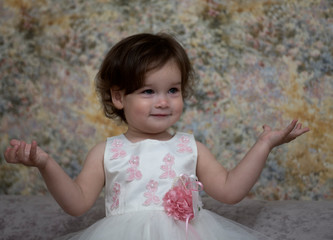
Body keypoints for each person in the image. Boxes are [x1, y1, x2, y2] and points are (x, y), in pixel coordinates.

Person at [4, 33, 309, 240]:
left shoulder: (190, 147)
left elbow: (230, 191)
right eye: (148, 91)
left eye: (173, 90)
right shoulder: (107, 151)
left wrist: (264, 145)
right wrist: (46, 164)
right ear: (119, 97)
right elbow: (77, 203)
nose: (163, 101)